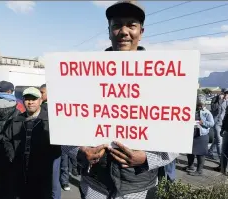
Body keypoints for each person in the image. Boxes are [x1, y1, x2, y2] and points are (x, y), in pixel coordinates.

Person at [62, 1, 178, 199]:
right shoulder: (83, 77)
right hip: (95, 186)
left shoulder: (165, 79)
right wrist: (80, 152)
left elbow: (176, 138)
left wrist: (146, 158)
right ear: (109, 31)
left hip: (138, 188)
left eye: (131, 25)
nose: (123, 31)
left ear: (141, 31)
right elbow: (66, 128)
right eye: (117, 25)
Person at [1, 87, 61, 199]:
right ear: (23, 101)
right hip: (20, 172)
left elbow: (57, 147)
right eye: (27, 99)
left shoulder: (49, 121)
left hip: (42, 173)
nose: (30, 102)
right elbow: (6, 140)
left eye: (34, 99)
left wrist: (46, 159)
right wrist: (12, 156)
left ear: (40, 100)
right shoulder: (16, 120)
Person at [184, 95, 214, 176]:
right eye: (198, 105)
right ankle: (190, 166)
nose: (200, 106)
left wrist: (203, 122)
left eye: (201, 105)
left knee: (200, 153)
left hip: (201, 135)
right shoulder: (191, 110)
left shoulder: (207, 113)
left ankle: (199, 171)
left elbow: (212, 124)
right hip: (191, 134)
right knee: (189, 151)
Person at [208, 89, 228, 161]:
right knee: (219, 141)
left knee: (217, 139)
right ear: (221, 93)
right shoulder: (215, 99)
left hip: (224, 123)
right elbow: (213, 108)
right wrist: (220, 101)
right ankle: (221, 159)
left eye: (227, 93)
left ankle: (210, 152)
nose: (226, 95)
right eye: (225, 93)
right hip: (216, 122)